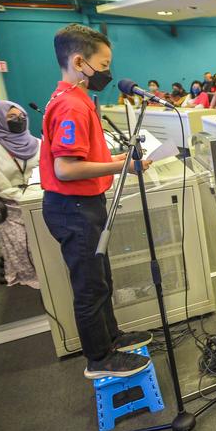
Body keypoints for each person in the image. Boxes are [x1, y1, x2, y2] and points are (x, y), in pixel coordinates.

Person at [40, 23, 152, 379]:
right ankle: (100, 359)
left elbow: (81, 158)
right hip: (73, 208)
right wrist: (122, 167)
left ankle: (111, 338)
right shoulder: (71, 105)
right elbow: (66, 168)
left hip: (82, 206)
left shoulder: (73, 99)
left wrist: (116, 162)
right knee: (89, 286)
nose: (108, 72)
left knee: (100, 279)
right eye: (103, 65)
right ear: (79, 61)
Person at [0, 101, 41, 289]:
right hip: (12, 204)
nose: (18, 120)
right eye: (11, 118)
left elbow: (46, 171)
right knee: (24, 242)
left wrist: (38, 193)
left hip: (39, 196)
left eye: (21, 117)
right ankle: (29, 274)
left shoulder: (37, 142)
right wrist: (25, 197)